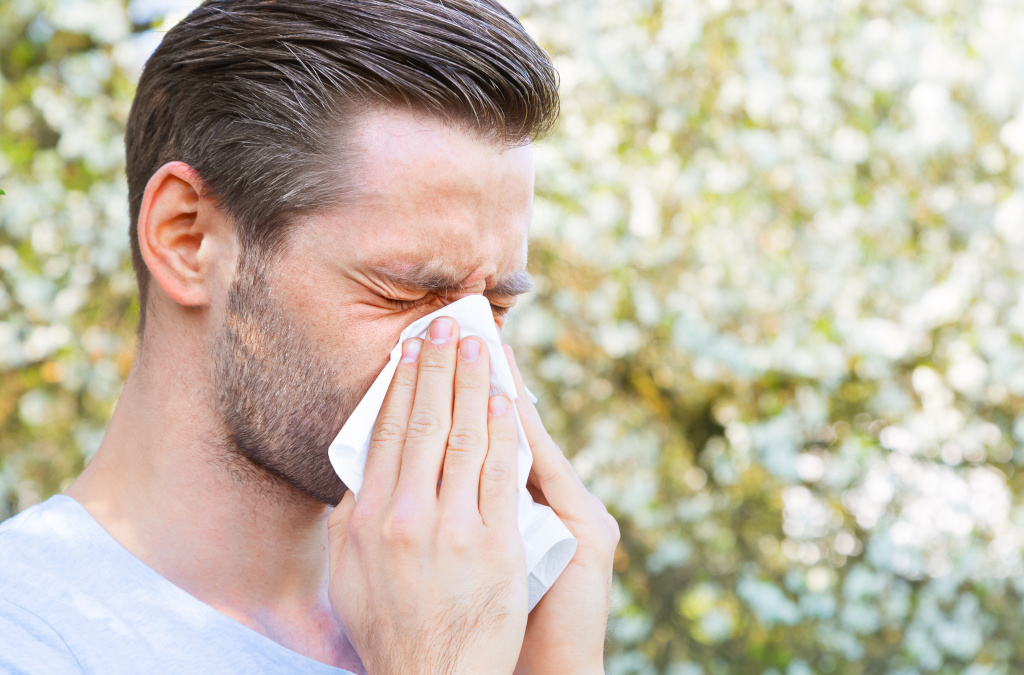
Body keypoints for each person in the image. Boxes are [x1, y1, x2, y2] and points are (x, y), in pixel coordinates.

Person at [0, 0, 619, 672]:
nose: (467, 356)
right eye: (405, 291)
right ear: (187, 238)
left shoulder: (489, 611)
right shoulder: (32, 633)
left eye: (494, 304)